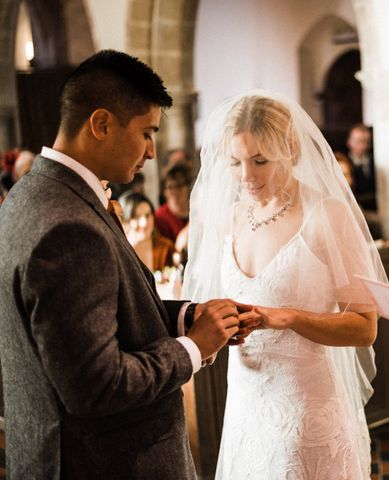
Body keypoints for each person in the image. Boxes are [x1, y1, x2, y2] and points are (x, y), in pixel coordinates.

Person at [0, 49, 257, 479]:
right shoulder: (68, 227)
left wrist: (189, 316)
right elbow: (99, 386)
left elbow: (110, 315)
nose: (153, 152)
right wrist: (195, 346)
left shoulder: (30, 195)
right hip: (110, 462)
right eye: (146, 132)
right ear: (101, 124)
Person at [183, 92, 388, 479]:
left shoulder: (326, 215)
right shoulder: (229, 219)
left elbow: (365, 327)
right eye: (235, 162)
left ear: (290, 149)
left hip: (306, 410)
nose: (246, 175)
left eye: (260, 160)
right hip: (245, 407)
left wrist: (291, 317)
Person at [120, 191, 174, 272]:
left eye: (147, 215)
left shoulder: (166, 247)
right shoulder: (118, 251)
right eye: (136, 217)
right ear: (124, 221)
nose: (144, 223)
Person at [156, 161, 192, 242]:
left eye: (179, 186)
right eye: (170, 187)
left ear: (188, 187)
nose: (175, 192)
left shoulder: (197, 210)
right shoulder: (160, 217)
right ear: (164, 191)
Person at [346, 123, 375, 208]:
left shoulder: (374, 161)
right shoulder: (344, 163)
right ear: (349, 142)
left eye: (365, 142)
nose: (362, 146)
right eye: (358, 141)